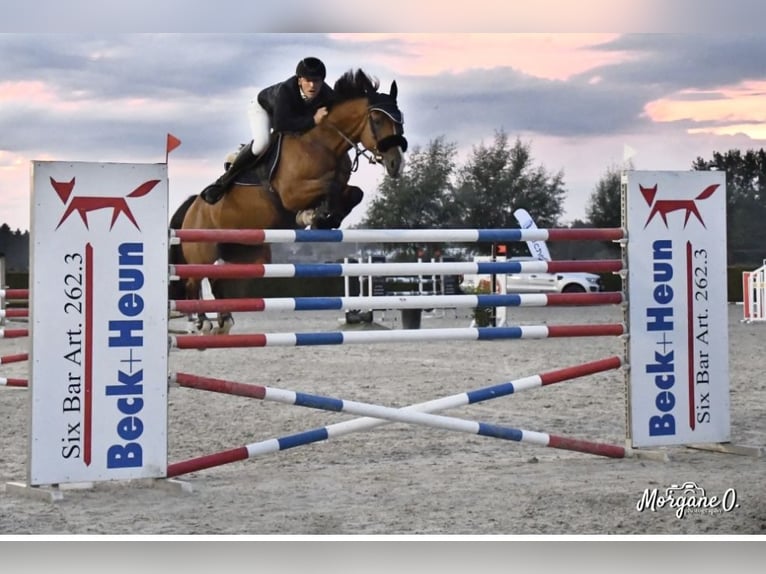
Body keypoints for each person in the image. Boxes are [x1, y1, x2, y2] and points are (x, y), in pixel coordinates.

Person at [200, 57, 335, 205]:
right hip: (263, 110)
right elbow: (281, 125)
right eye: (307, 80)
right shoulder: (286, 90)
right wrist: (313, 120)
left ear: (322, 81)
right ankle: (222, 182)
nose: (312, 85)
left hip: (290, 117)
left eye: (316, 81)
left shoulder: (328, 94)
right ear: (299, 80)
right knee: (263, 143)